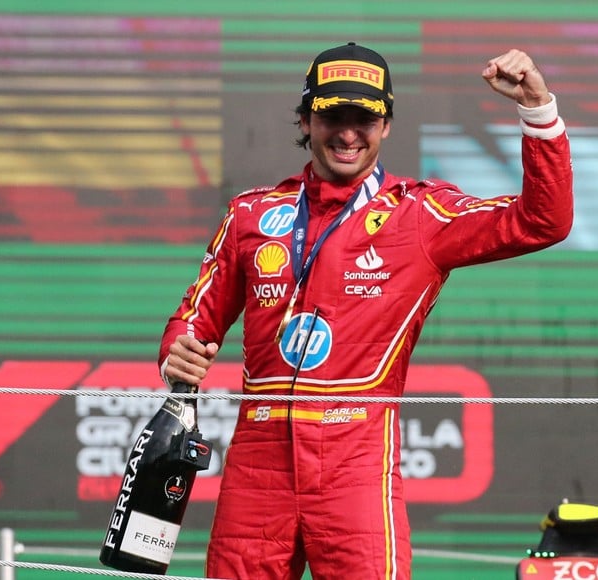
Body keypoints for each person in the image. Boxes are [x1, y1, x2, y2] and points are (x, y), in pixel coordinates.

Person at [159, 42, 573, 579]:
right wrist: (179, 351)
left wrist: (537, 110)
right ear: (307, 120)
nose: (348, 132)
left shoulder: (420, 214)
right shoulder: (251, 213)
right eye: (333, 115)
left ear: (387, 125)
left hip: (356, 463)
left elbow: (544, 220)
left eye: (365, 117)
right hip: (257, 469)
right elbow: (194, 318)